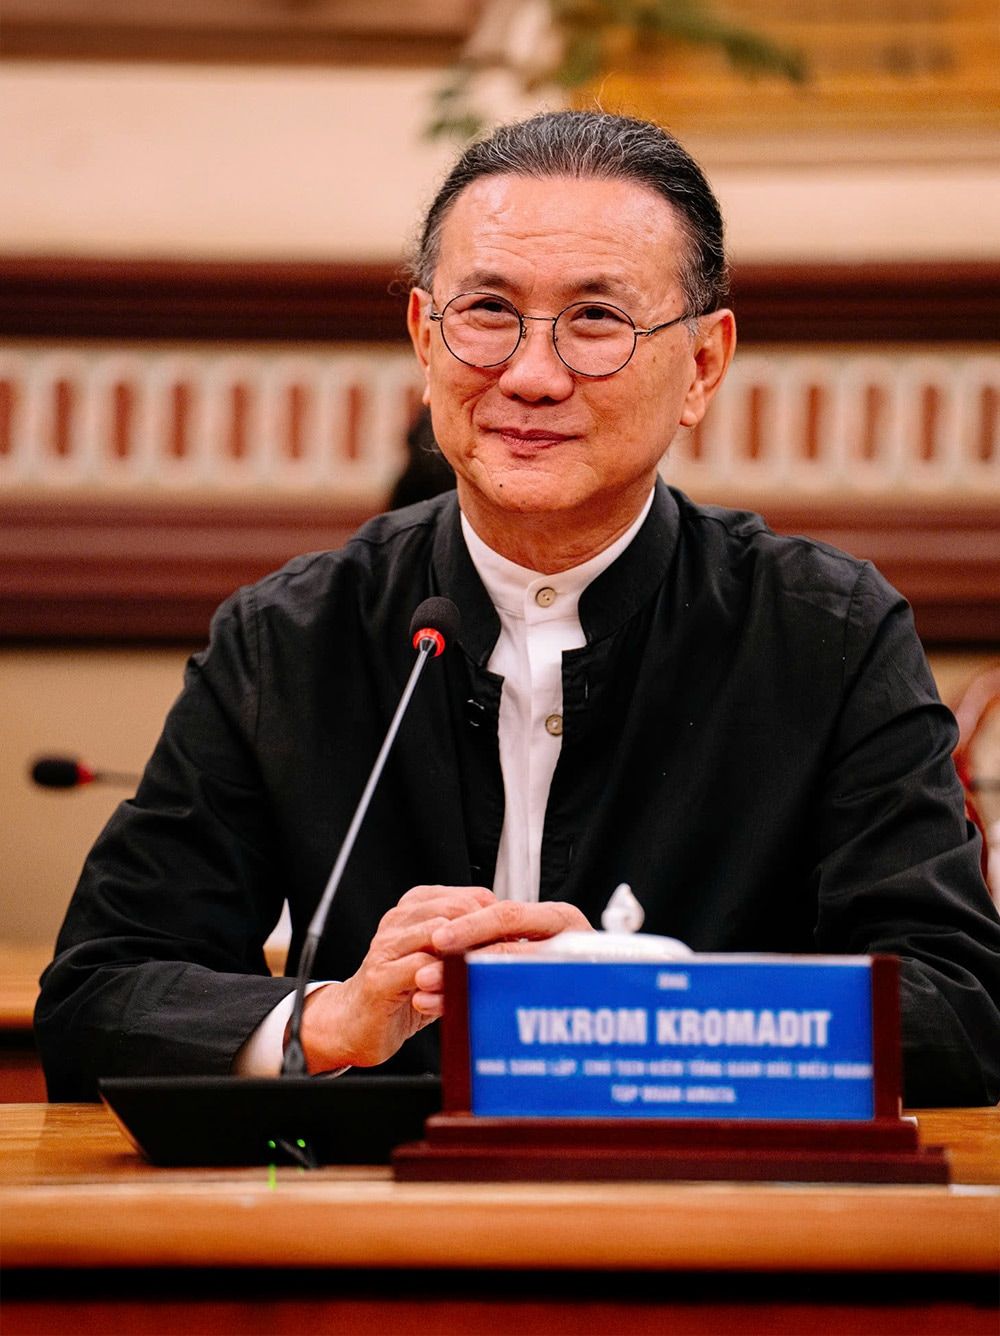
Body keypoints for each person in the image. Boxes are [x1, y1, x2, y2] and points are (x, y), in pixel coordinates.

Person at [36, 110, 1000, 1106]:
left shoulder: (825, 635)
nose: (532, 377)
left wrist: (640, 1007)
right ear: (424, 340)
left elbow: (961, 1009)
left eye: (596, 320)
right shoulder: (289, 638)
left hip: (703, 1196)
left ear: (702, 367)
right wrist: (334, 1018)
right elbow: (96, 997)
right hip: (375, 1199)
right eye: (488, 311)